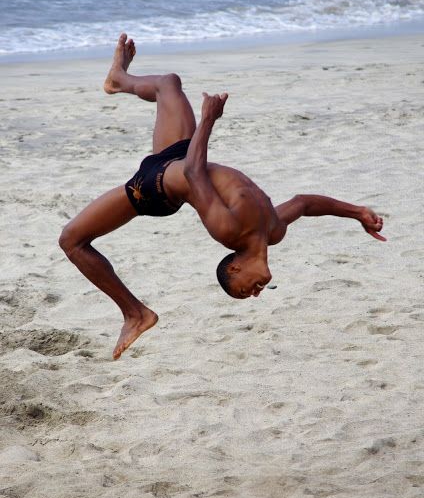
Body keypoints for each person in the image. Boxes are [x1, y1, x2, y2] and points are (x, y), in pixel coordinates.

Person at [59, 34, 386, 360]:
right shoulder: (273, 230)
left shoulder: (228, 230)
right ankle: (119, 79)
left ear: (234, 269)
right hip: (176, 157)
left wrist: (209, 120)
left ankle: (135, 313)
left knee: (72, 240)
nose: (255, 294)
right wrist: (357, 212)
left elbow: (194, 174)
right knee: (168, 83)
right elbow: (304, 203)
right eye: (250, 293)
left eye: (245, 291)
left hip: (153, 187)